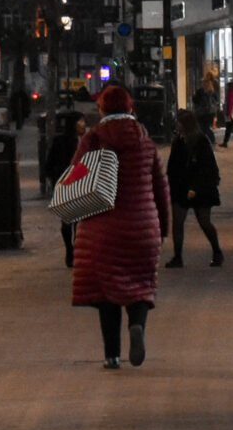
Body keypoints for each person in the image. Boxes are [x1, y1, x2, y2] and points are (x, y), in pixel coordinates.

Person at [71, 83, 166, 369]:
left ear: (102, 108)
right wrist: (162, 227)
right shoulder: (146, 142)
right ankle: (136, 325)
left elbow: (77, 178)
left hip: (102, 229)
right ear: (130, 108)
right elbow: (160, 187)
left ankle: (112, 355)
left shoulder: (93, 140)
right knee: (140, 286)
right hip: (142, 227)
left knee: (105, 293)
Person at [165, 106, 224, 268]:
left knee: (204, 222)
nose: (177, 126)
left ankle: (217, 251)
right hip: (181, 187)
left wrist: (196, 187)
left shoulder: (200, 142)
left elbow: (208, 168)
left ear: (186, 124)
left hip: (201, 188)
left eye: (179, 123)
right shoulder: (178, 142)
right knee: (178, 222)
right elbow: (173, 167)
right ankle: (178, 257)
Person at [42, 110, 87, 266]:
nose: (84, 125)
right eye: (81, 122)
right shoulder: (72, 141)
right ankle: (72, 249)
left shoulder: (80, 141)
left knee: (73, 221)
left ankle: (73, 250)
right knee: (73, 221)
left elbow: (49, 164)